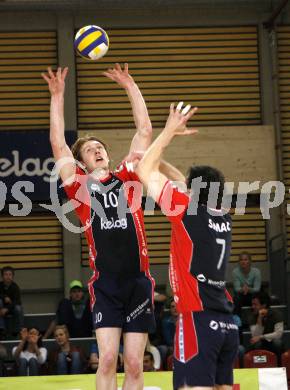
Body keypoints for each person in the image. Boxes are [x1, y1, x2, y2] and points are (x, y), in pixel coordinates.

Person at [41, 63, 155, 390]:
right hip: (105, 284)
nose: (98, 150)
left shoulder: (128, 176)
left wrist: (130, 84)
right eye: (91, 150)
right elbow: (57, 144)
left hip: (138, 281)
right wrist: (57, 96)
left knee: (134, 363)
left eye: (100, 147)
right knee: (106, 359)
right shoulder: (78, 188)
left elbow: (145, 129)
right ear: (81, 163)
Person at [136, 102, 239, 389]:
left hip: (198, 318)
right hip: (227, 324)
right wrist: (157, 157)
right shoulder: (222, 215)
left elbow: (146, 172)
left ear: (192, 193)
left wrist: (167, 132)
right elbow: (181, 181)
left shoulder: (186, 209)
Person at [247, 292, 284, 360]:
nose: (253, 307)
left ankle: (280, 367)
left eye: (255, 304)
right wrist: (259, 319)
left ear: (264, 305)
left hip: (272, 341)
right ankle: (259, 366)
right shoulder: (252, 316)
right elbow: (255, 336)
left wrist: (261, 337)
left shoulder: (276, 314)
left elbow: (278, 334)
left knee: (278, 343)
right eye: (252, 304)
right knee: (256, 344)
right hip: (260, 343)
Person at [0, 266, 24, 337]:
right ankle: (1, 329)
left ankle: (18, 331)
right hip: (1, 308)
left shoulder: (15, 287)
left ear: (13, 276)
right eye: (6, 274)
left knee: (19, 309)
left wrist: (7, 308)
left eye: (10, 274)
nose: (8, 276)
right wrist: (4, 297)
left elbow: (17, 301)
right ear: (2, 276)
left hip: (11, 308)